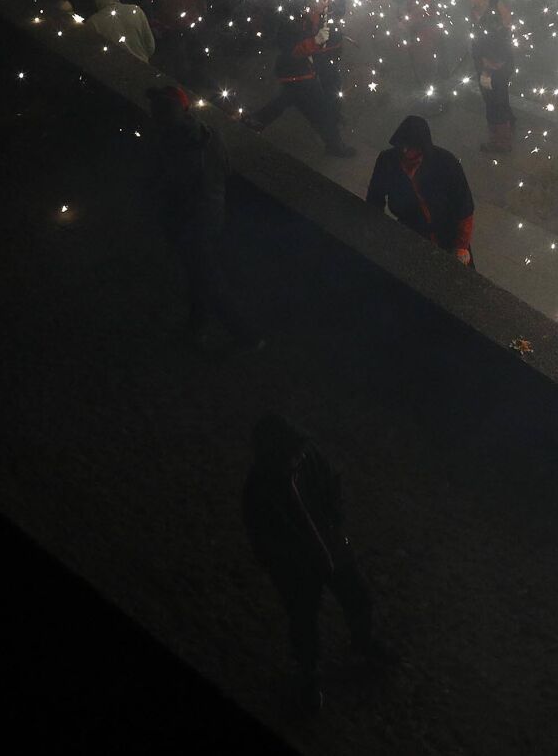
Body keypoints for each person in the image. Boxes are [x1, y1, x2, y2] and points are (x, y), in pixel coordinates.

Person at [242, 414, 385, 713]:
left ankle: (363, 642)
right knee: (304, 621)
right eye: (291, 452)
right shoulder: (259, 489)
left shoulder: (307, 457)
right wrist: (292, 565)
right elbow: (264, 543)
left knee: (357, 596)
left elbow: (332, 485)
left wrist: (335, 526)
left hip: (330, 546)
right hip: (298, 569)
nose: (297, 455)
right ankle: (308, 676)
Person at [147, 85, 262, 354]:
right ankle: (196, 326)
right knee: (197, 274)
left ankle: (246, 336)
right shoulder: (207, 133)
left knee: (207, 278)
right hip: (210, 212)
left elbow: (170, 184)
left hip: (192, 221)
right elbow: (225, 169)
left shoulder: (173, 143)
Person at [365, 114, 474, 264]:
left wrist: (461, 246)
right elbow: (374, 199)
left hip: (448, 235)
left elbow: (464, 206)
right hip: (411, 234)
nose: (405, 152)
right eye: (402, 147)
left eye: (410, 148)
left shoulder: (446, 163)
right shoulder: (387, 161)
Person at [248, 9, 354, 158]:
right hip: (297, 73)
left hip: (302, 74)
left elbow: (324, 45)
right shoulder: (292, 20)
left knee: (288, 100)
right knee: (321, 110)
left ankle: (255, 121)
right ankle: (334, 145)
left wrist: (329, 39)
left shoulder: (313, 18)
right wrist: (315, 41)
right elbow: (292, 49)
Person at [473, 0, 516, 154]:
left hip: (492, 69)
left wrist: (487, 64)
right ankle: (508, 121)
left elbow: (494, 43)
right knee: (500, 98)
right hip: (498, 67)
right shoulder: (495, 9)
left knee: (494, 104)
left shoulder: (491, 18)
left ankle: (501, 142)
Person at [87, 0, 156, 61]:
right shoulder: (135, 11)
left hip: (114, 73)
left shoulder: (93, 23)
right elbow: (150, 47)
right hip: (142, 69)